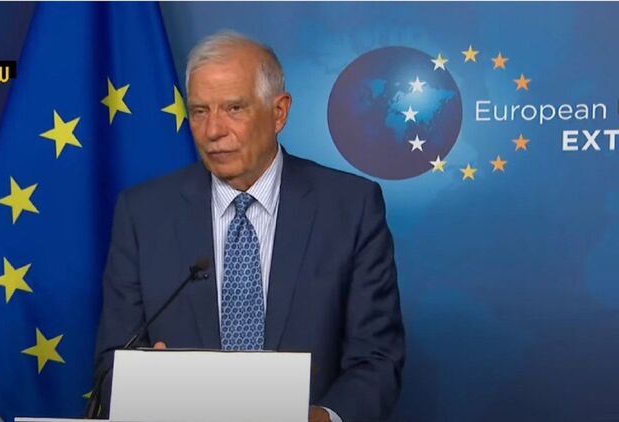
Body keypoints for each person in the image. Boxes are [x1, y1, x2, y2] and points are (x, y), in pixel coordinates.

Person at [93, 31, 405, 422]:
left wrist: (323, 417)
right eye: (200, 111)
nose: (213, 130)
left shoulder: (350, 207)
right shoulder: (143, 214)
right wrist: (141, 383)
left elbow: (377, 357)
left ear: (279, 112)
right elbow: (110, 365)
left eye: (234, 108)